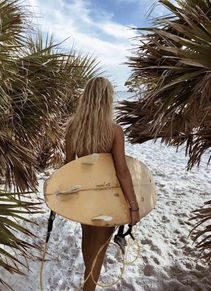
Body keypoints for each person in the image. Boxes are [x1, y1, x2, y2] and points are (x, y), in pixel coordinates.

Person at [65, 76, 139, 291]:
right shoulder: (114, 130)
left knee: (88, 240)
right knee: (99, 248)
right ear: (107, 99)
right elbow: (122, 171)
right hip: (108, 198)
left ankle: (88, 282)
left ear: (86, 98)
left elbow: (69, 166)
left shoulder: (72, 128)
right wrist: (133, 205)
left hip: (85, 196)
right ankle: (89, 288)